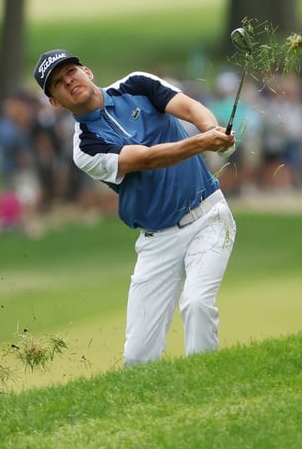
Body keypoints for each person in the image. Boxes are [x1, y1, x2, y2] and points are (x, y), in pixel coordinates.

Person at [33, 49, 237, 367]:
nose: (68, 81)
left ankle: (204, 388)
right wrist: (202, 142)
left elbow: (189, 107)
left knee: (196, 304)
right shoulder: (85, 147)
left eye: (71, 71)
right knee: (137, 358)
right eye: (58, 83)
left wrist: (211, 130)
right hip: (158, 242)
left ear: (87, 71)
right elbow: (146, 159)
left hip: (208, 216)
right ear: (55, 102)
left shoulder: (137, 84)